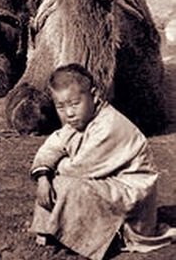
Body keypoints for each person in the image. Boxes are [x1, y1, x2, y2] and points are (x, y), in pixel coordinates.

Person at [30, 64, 176, 259]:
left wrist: (56, 166)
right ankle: (53, 231)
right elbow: (52, 145)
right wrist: (42, 176)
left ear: (94, 95)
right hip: (105, 181)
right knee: (52, 182)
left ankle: (111, 237)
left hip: (130, 193)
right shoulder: (78, 122)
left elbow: (79, 168)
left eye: (74, 103)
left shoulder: (109, 126)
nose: (69, 113)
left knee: (67, 185)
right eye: (60, 106)